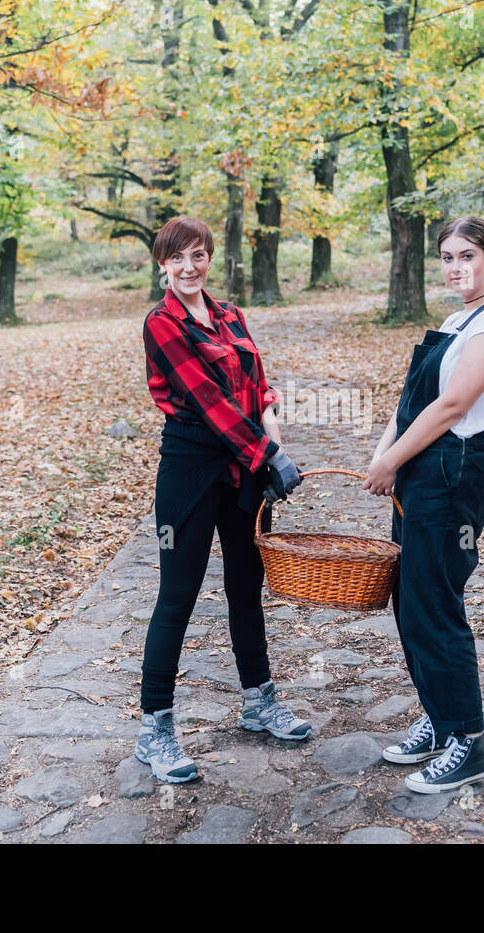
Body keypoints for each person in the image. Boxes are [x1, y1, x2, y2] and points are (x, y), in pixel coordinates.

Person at [135, 215, 310, 784]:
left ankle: (259, 701)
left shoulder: (231, 313)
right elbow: (207, 401)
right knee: (178, 595)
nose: (189, 267)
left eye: (199, 255)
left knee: (245, 588)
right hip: (191, 471)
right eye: (177, 258)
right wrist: (268, 455)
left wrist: (272, 436)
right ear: (161, 264)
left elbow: (258, 383)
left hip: (244, 467)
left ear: (211, 258)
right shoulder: (161, 323)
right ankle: (155, 729)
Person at [363, 215, 484, 794]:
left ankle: (470, 742)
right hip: (418, 469)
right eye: (447, 258)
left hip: (454, 471)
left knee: (436, 603)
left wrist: (393, 462)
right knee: (409, 604)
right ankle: (439, 722)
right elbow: (412, 400)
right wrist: (384, 453)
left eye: (467, 256)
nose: (456, 267)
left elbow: (454, 406)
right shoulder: (454, 320)